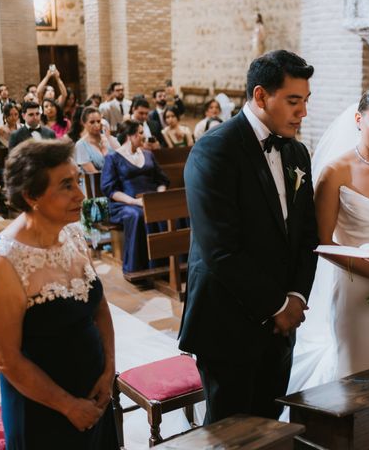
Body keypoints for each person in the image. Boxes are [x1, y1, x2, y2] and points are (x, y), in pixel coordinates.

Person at [179, 50, 319, 424]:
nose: (302, 112)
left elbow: (307, 234)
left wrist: (297, 297)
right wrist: (277, 305)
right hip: (228, 323)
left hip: (282, 326)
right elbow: (220, 250)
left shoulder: (297, 153)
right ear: (260, 96)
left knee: (271, 427)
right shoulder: (215, 150)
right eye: (293, 101)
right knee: (230, 433)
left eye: (305, 101)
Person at [287, 85, 369, 396]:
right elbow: (323, 243)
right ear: (359, 119)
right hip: (355, 287)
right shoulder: (336, 172)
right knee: (356, 376)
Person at [0, 139, 119, 449]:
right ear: (31, 195)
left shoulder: (72, 233)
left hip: (94, 393)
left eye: (77, 181)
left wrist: (109, 370)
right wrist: (69, 406)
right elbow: (7, 359)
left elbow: (98, 306)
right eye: (66, 186)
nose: (81, 194)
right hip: (42, 412)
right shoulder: (4, 263)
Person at [101, 120, 169, 274]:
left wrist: (160, 195)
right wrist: (134, 201)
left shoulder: (148, 154)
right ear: (129, 136)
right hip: (125, 202)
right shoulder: (113, 158)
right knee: (138, 214)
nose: (143, 136)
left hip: (151, 199)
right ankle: (141, 267)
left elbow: (162, 180)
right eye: (139, 132)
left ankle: (169, 262)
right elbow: (110, 190)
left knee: (169, 211)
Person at [76, 107, 117, 173]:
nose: (96, 125)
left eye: (98, 121)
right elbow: (93, 173)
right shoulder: (81, 145)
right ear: (84, 123)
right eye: (92, 122)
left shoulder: (109, 139)